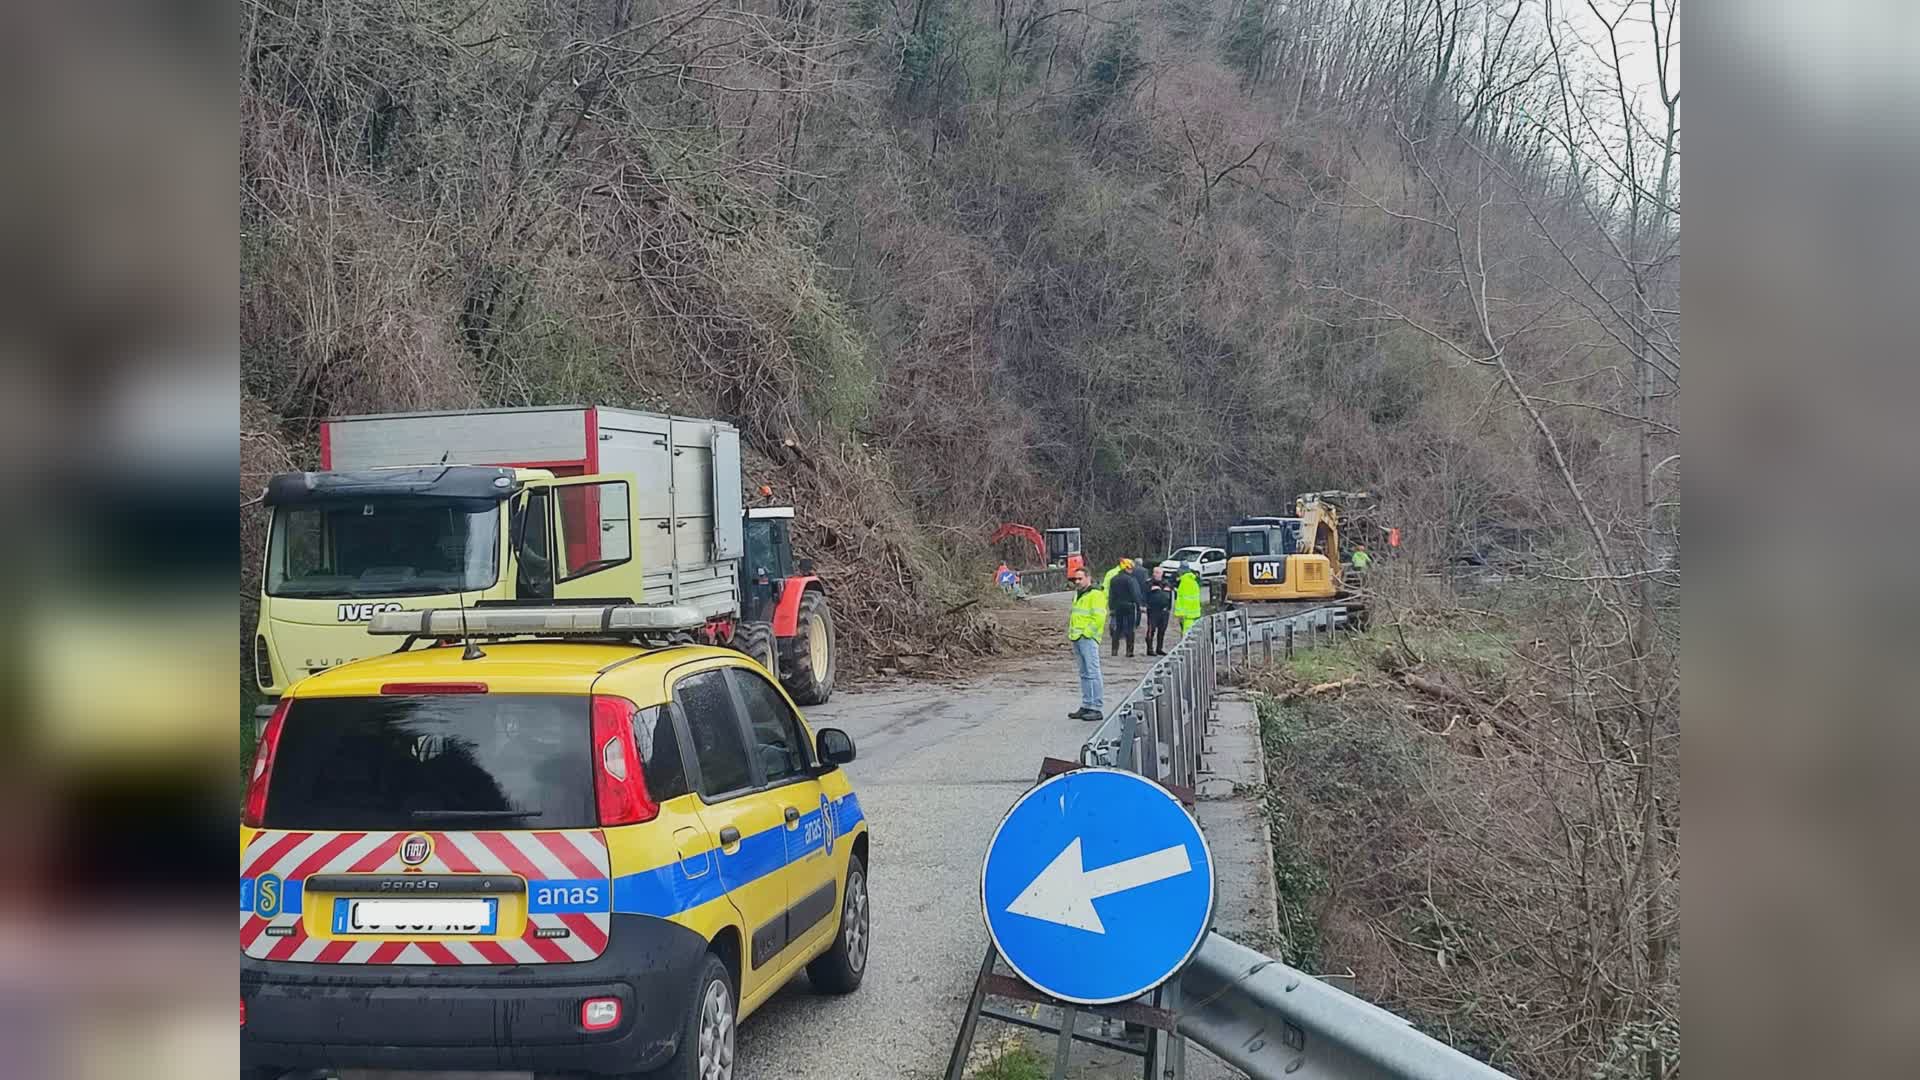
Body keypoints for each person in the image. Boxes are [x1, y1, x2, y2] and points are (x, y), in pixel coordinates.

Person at [1066, 567, 1108, 720]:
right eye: (1075, 579)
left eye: (1080, 578)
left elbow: (1099, 617)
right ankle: (1086, 704)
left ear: (1088, 578)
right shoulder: (1079, 594)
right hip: (1077, 637)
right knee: (1084, 673)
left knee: (1092, 672)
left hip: (1087, 638)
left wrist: (1087, 633)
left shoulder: (1096, 594)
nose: (1077, 582)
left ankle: (1096, 707)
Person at [1107, 557, 1142, 657]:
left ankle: (1114, 650)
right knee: (1130, 629)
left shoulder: (1113, 579)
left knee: (1118, 628)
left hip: (1117, 606)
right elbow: (1135, 593)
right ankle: (1129, 651)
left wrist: (1111, 607)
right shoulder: (1131, 580)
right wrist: (1139, 604)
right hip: (1129, 606)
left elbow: (1111, 595)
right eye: (1130, 568)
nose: (1131, 570)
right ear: (1126, 568)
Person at [1144, 566, 1173, 655]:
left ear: (1162, 574)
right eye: (1154, 572)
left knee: (1162, 630)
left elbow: (1170, 597)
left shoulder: (1166, 583)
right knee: (1151, 630)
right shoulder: (1149, 583)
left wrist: (1169, 608)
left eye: (1157, 573)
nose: (1155, 574)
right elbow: (1144, 594)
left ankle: (1159, 648)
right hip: (1153, 611)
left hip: (1164, 611)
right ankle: (1149, 649)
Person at [1173, 563, 1203, 635]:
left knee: (1187, 635)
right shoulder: (1193, 580)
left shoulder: (1184, 582)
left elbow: (1182, 597)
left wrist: (1178, 613)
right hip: (1194, 612)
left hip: (1187, 614)